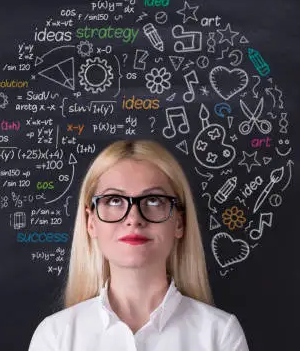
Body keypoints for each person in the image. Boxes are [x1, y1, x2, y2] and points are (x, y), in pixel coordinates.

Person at [28, 139, 249, 351]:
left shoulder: (220, 334)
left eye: (153, 200)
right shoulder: (55, 335)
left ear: (179, 222)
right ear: (91, 222)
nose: (134, 218)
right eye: (114, 200)